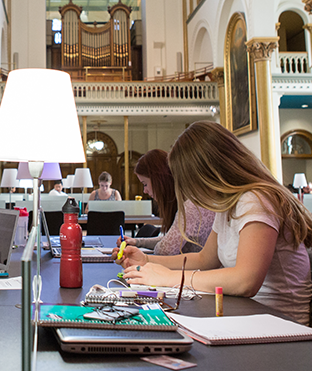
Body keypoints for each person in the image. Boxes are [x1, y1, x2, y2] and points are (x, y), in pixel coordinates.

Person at [116, 121, 312, 324]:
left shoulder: (256, 200)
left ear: (208, 173)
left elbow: (246, 280)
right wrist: (148, 261)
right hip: (250, 317)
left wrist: (168, 278)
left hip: (281, 326)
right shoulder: (229, 204)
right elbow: (204, 260)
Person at [118, 149, 214, 255]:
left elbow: (165, 250)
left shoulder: (190, 207)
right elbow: (170, 241)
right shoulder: (191, 201)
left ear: (158, 180)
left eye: (145, 184)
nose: (145, 191)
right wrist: (138, 242)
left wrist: (138, 252)